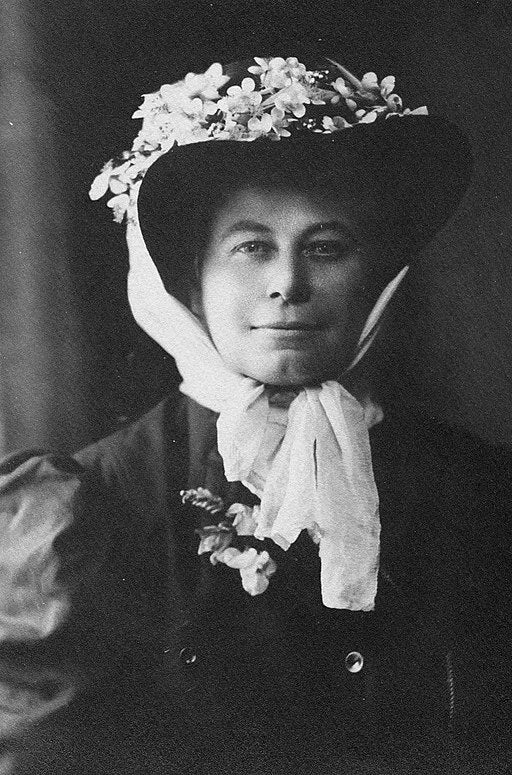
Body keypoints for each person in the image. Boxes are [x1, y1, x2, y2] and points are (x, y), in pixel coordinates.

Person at [0, 55, 511, 774]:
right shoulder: (84, 506)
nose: (288, 283)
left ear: (376, 279)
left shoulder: (474, 487)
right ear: (187, 281)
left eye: (326, 248)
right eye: (251, 248)